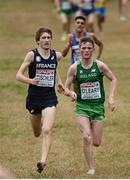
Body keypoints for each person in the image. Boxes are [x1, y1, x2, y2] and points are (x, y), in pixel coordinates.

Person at [64, 37, 117, 175]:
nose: (86, 50)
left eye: (89, 48)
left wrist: (111, 98)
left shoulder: (99, 66)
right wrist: (71, 94)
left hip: (98, 107)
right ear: (79, 50)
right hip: (82, 107)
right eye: (83, 48)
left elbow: (113, 79)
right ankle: (90, 168)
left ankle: (93, 131)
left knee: (96, 142)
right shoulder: (74, 68)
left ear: (93, 50)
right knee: (86, 136)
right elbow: (66, 88)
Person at [16, 27, 65, 173]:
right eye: (43, 38)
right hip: (34, 99)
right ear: (38, 41)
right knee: (37, 132)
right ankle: (40, 122)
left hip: (49, 98)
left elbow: (54, 68)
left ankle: (43, 161)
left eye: (49, 37)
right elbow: (18, 75)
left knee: (47, 129)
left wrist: (60, 83)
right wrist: (30, 80)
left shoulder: (55, 55)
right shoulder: (31, 55)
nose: (46, 40)